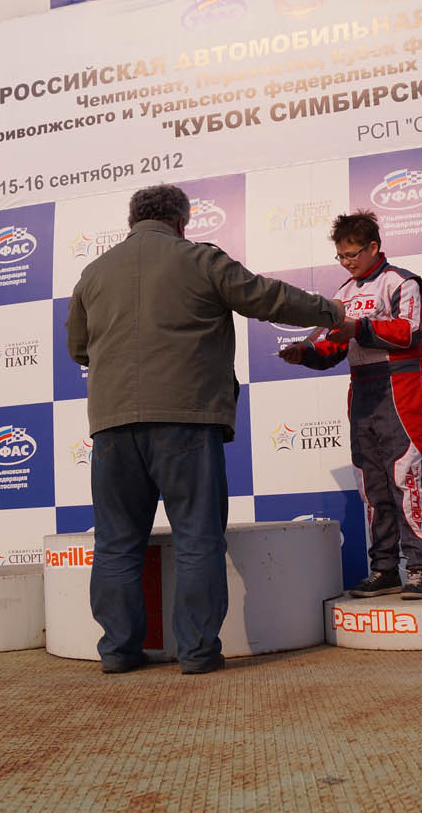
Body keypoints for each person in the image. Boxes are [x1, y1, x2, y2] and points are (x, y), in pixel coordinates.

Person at [67, 184, 345, 675]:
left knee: (115, 544)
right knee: (197, 539)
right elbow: (267, 298)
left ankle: (118, 652)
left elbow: (77, 348)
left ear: (132, 220)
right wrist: (332, 312)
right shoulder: (199, 259)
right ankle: (196, 653)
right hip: (186, 420)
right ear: (181, 222)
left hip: (112, 426)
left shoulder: (94, 272)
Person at [279, 210, 422, 599]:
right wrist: (306, 354)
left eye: (352, 254)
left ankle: (420, 569)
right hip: (362, 388)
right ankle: (384, 569)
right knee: (372, 486)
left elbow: (410, 331)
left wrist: (359, 327)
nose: (347, 262)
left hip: (401, 386)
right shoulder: (345, 292)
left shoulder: (402, 281)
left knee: (405, 478)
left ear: (373, 247)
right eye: (341, 256)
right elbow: (334, 347)